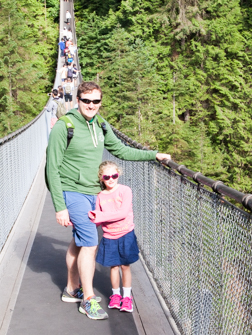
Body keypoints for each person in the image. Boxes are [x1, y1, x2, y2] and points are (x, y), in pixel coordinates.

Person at [45, 81, 171, 320]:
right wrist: (59, 207)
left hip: (94, 192)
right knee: (91, 242)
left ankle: (72, 289)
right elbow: (52, 168)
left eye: (96, 101)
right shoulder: (65, 126)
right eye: (86, 101)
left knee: (79, 242)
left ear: (100, 102)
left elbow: (122, 150)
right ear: (78, 101)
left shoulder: (101, 124)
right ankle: (88, 300)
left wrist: (153, 155)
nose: (91, 105)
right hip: (72, 191)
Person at [89, 161, 137, 313]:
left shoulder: (125, 190)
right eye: (107, 176)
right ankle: (116, 296)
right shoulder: (100, 196)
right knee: (114, 266)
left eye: (114, 175)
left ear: (118, 174)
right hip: (110, 235)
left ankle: (127, 297)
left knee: (125, 265)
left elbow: (122, 213)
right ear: (101, 178)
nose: (111, 179)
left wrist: (103, 216)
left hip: (126, 233)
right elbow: (96, 218)